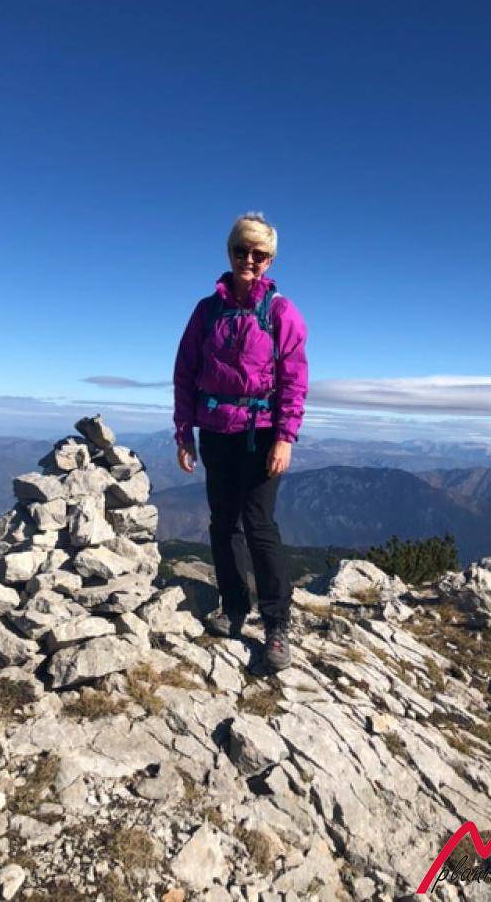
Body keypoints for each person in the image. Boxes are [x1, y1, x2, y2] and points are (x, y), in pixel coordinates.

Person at [173, 212, 308, 671]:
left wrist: (284, 438)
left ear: (270, 260)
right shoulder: (206, 310)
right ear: (229, 252)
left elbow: (294, 381)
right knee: (222, 523)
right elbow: (185, 373)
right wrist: (184, 432)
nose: (249, 260)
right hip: (215, 430)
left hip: (261, 433)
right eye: (241, 251)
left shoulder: (281, 312)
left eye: (259, 254)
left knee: (259, 525)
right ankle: (233, 609)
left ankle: (276, 625)